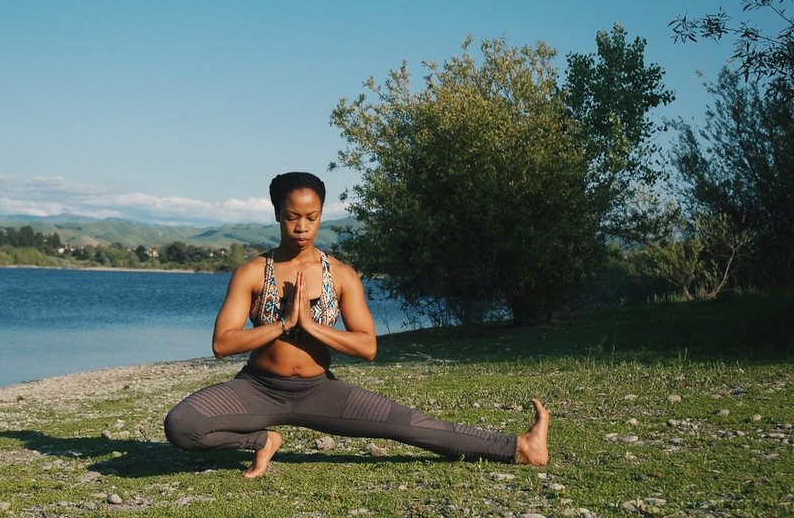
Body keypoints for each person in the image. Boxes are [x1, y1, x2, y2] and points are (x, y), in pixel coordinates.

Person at [164, 172, 549, 478]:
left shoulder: (342, 275)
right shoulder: (252, 272)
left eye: (312, 217)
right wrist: (283, 324)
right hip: (258, 388)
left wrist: (312, 327)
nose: (302, 227)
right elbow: (222, 343)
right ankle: (264, 440)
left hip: (320, 391)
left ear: (321, 215)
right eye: (292, 217)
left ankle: (520, 447)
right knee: (182, 426)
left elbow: (367, 348)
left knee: (411, 425)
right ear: (277, 214)